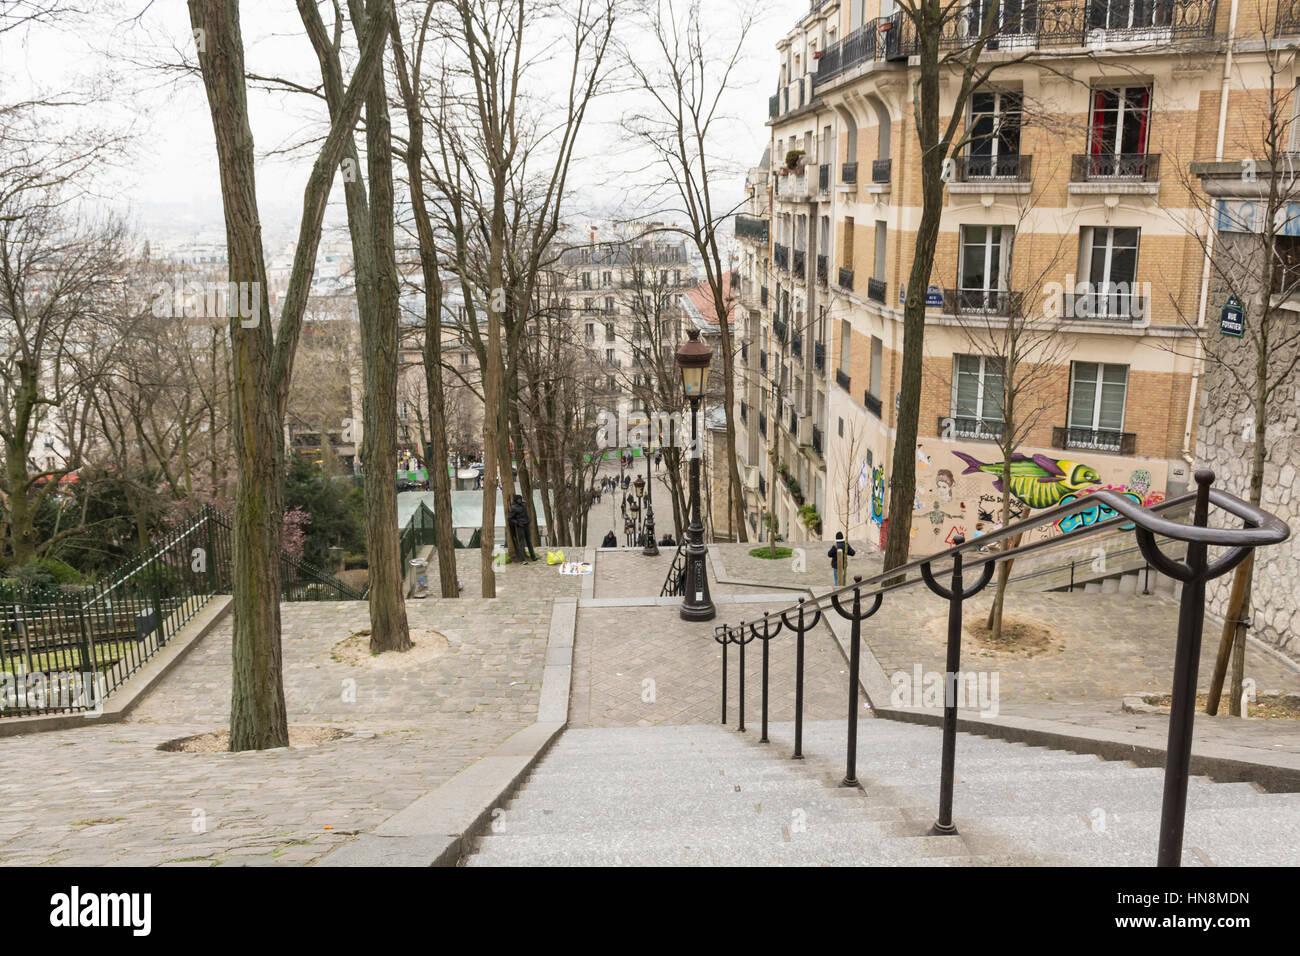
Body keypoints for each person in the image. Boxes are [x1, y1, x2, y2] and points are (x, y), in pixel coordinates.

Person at [508, 494, 538, 562]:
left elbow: (526, 513)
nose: (520, 500)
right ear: (516, 500)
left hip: (526, 524)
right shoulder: (513, 507)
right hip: (520, 526)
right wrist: (518, 522)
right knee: (522, 543)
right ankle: (522, 560)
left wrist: (529, 520)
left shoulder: (524, 504)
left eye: (520, 499)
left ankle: (533, 557)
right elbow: (509, 518)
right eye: (518, 499)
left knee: (529, 541)